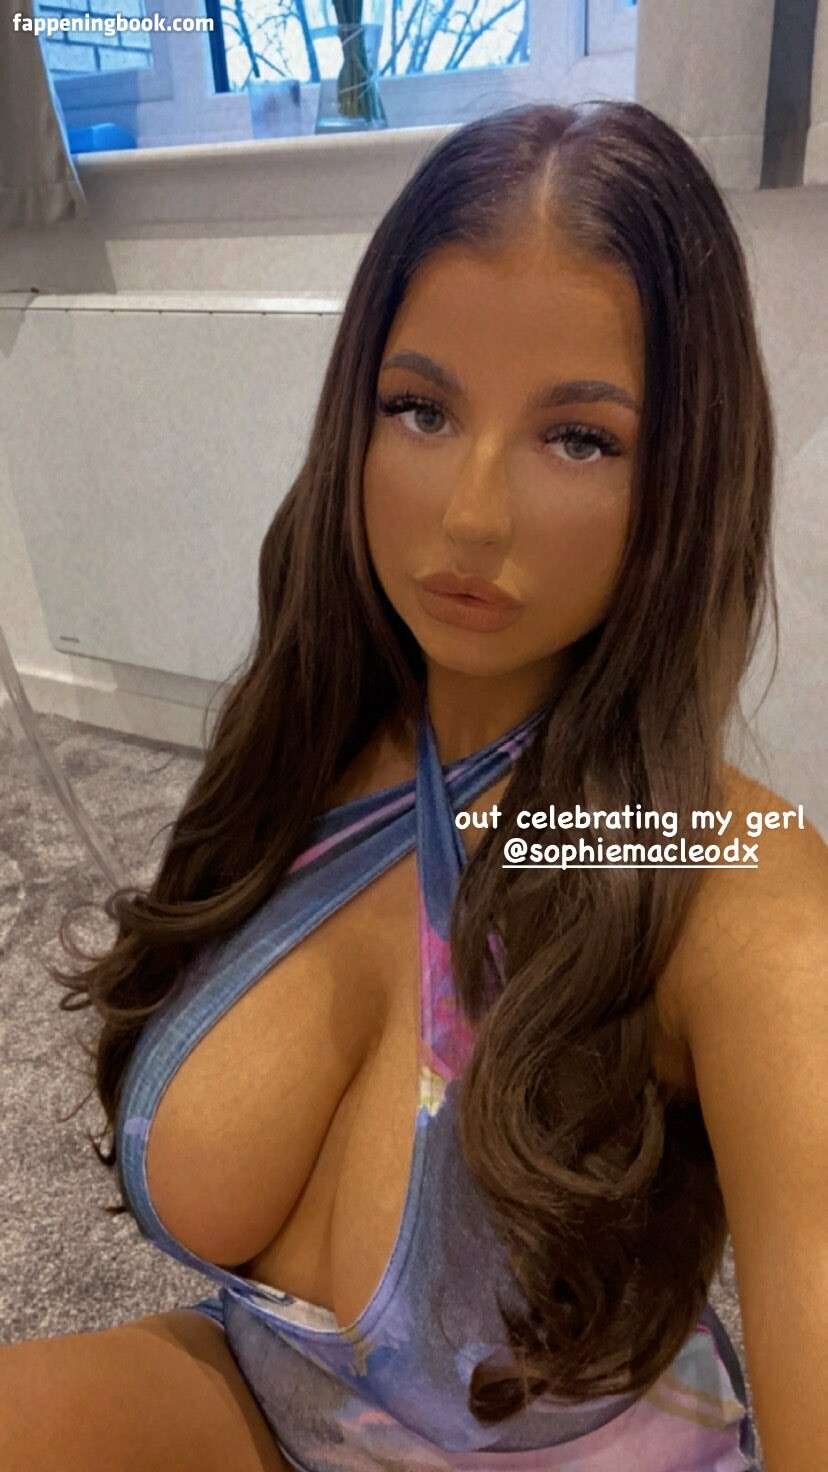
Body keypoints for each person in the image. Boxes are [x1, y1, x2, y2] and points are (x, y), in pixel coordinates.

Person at [1, 99, 825, 1472]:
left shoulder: (728, 888)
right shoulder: (315, 743)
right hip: (277, 1398)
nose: (470, 515)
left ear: (687, 475)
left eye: (579, 438)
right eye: (422, 409)